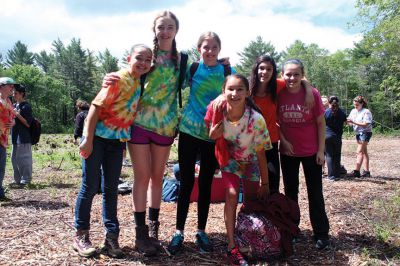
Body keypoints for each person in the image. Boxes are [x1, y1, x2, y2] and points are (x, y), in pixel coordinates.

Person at [73, 44, 152, 258]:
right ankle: (81, 235)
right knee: (89, 186)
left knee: (111, 190)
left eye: (148, 60)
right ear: (129, 58)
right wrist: (87, 138)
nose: (143, 63)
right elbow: (95, 108)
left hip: (116, 143)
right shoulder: (118, 78)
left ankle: (111, 238)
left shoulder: (138, 82)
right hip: (97, 139)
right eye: (139, 58)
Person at [167, 31, 235, 255]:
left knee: (205, 183)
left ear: (219, 49)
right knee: (186, 183)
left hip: (212, 135)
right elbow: (174, 80)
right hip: (188, 130)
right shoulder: (193, 68)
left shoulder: (227, 71)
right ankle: (178, 232)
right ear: (199, 49)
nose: (210, 51)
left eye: (214, 47)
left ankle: (201, 231)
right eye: (206, 47)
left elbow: (240, 92)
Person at [206, 74, 271, 266]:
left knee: (250, 202)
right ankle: (232, 244)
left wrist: (265, 183)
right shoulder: (219, 109)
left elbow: (261, 154)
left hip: (250, 161)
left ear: (248, 92)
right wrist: (212, 133)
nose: (234, 93)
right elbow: (212, 134)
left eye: (240, 89)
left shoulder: (256, 119)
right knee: (232, 194)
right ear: (223, 92)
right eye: (230, 89)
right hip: (230, 160)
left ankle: (247, 239)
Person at [277, 59, 330, 250]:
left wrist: (321, 150)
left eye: (296, 74)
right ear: (282, 75)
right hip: (288, 152)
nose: (292, 78)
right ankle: (292, 230)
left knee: (315, 192)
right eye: (288, 74)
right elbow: (274, 121)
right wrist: (283, 140)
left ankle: (321, 233)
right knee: (291, 193)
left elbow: (321, 123)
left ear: (302, 75)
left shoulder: (312, 94)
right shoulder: (278, 93)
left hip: (311, 151)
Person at [249, 55, 314, 194]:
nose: (265, 72)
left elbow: (300, 78)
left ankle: (272, 214)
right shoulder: (248, 89)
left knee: (272, 185)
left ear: (273, 72)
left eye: (269, 69)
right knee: (252, 185)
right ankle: (253, 214)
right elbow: (229, 91)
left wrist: (309, 91)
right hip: (249, 144)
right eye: (261, 68)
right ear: (256, 69)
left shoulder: (277, 85)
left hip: (270, 142)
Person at [11, 85, 33, 186]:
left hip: (24, 137)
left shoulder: (26, 106)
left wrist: (17, 115)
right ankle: (17, 180)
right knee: (14, 158)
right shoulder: (14, 105)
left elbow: (28, 123)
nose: (13, 95)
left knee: (24, 159)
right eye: (13, 93)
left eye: (15, 93)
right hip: (15, 137)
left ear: (21, 94)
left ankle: (26, 179)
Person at [346, 95, 373, 178]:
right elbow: (350, 121)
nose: (355, 106)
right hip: (358, 133)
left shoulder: (366, 111)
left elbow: (365, 124)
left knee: (359, 151)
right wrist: (347, 122)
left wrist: (353, 122)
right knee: (364, 152)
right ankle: (367, 172)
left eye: (357, 105)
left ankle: (356, 171)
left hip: (365, 133)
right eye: (354, 104)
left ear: (362, 104)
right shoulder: (353, 111)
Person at [0, 77, 17, 201]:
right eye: (9, 85)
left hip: (3, 139)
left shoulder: (9, 102)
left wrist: (13, 123)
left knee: (1, 166)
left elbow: (13, 117)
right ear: (1, 86)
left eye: (13, 86)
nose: (12, 88)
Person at [324, 96, 347, 181]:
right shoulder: (342, 112)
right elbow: (345, 122)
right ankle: (337, 175)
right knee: (337, 155)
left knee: (329, 155)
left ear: (329, 103)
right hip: (338, 137)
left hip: (327, 136)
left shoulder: (326, 112)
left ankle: (331, 176)